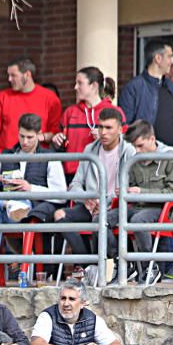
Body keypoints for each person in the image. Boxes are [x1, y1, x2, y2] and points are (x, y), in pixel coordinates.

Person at [0, 113, 66, 265]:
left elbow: (62, 195)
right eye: (22, 136)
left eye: (30, 137)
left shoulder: (50, 157)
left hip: (25, 209)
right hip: (3, 206)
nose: (25, 142)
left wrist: (30, 188)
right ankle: (5, 203)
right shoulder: (5, 155)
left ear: (39, 135)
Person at [56, 108, 136, 281]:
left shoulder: (129, 151)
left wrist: (105, 202)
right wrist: (86, 197)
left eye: (108, 128)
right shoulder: (90, 149)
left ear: (120, 130)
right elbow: (75, 184)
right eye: (100, 127)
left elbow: (130, 186)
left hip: (115, 205)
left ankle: (114, 266)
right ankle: (89, 267)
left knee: (99, 219)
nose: (103, 132)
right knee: (59, 215)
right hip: (90, 204)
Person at [124, 120, 173, 283]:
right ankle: (122, 265)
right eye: (134, 147)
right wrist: (125, 190)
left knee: (138, 220)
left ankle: (149, 268)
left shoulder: (171, 157)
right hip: (137, 206)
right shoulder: (133, 159)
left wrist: (142, 192)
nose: (137, 151)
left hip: (162, 209)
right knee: (104, 219)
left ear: (152, 139)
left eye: (140, 145)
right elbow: (129, 185)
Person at [52, 67, 124, 182]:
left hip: (104, 173)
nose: (75, 87)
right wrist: (57, 140)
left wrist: (106, 138)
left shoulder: (114, 112)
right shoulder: (70, 112)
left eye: (80, 83)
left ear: (94, 86)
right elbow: (60, 145)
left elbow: (125, 144)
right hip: (73, 174)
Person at [120, 39, 173, 150]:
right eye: (170, 56)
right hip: (144, 158)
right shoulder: (134, 88)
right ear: (158, 58)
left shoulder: (171, 87)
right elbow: (125, 127)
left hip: (171, 156)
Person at [0, 58, 61, 154]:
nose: (9, 79)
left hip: (38, 158)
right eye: (9, 75)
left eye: (13, 75)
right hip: (7, 157)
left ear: (27, 74)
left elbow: (56, 133)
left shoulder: (50, 98)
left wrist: (42, 137)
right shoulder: (2, 97)